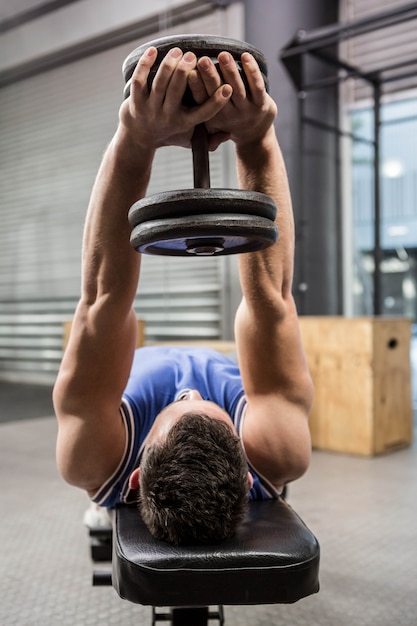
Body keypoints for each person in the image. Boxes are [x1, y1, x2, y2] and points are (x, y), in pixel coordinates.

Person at [53, 44, 314, 545]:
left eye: (179, 403)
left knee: (88, 478)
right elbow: (271, 299)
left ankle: (102, 507)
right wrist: (256, 138)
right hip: (234, 395)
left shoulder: (98, 455)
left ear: (135, 475)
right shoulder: (272, 451)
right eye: (201, 403)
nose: (189, 390)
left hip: (131, 382)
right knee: (285, 459)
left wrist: (135, 138)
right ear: (245, 472)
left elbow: (103, 301)